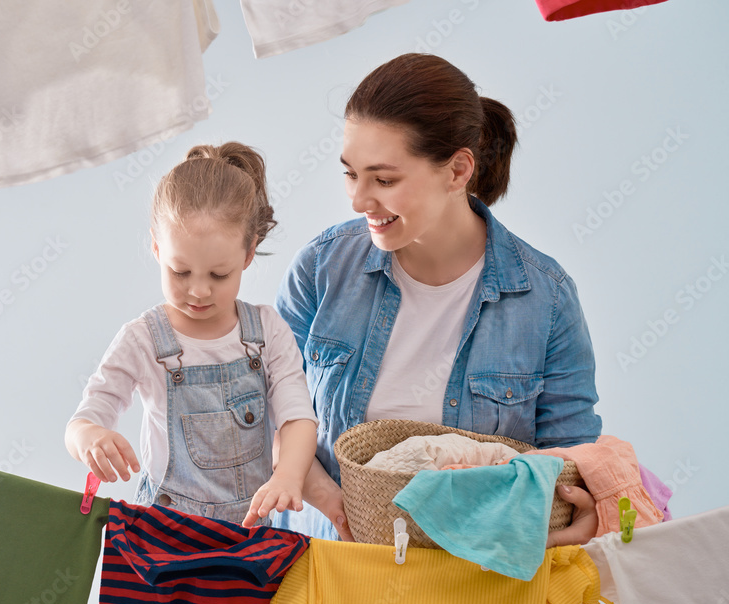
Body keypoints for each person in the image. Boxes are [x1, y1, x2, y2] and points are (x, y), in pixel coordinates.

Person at [274, 53, 602, 545]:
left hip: (472, 589)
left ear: (457, 171)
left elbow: (570, 461)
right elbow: (266, 406)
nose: (359, 199)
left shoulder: (545, 300)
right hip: (324, 569)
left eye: (384, 180)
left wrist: (576, 519)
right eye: (350, 173)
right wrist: (336, 504)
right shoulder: (322, 269)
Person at [66, 142, 318, 528]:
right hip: (164, 537)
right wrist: (90, 438)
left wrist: (288, 475)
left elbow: (297, 417)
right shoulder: (143, 339)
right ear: (155, 245)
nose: (199, 291)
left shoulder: (267, 332)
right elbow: (82, 421)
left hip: (247, 536)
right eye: (180, 272)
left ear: (249, 253)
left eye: (219, 275)